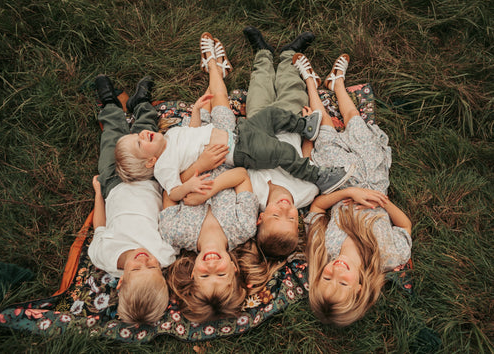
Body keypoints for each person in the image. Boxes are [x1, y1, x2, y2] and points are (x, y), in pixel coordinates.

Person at [112, 40, 350, 205]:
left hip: (239, 132)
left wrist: (195, 110)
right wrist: (190, 184)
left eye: (137, 135)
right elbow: (173, 192)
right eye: (140, 143)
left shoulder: (171, 136)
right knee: (282, 151)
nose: (143, 134)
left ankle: (303, 126)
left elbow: (192, 131)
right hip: (240, 151)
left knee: (270, 115)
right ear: (149, 162)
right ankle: (317, 176)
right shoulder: (164, 166)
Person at [88, 75, 223, 325]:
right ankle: (141, 103)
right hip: (151, 180)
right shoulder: (164, 254)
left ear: (121, 283)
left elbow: (100, 227)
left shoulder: (103, 256)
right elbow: (171, 209)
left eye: (136, 269)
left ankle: (109, 104)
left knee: (112, 139)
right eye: (151, 269)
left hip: (113, 184)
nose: (143, 260)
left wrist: (98, 193)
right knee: (146, 134)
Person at [292, 52, 412, 326]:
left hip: (339, 180)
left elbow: (318, 207)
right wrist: (383, 202)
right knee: (355, 121)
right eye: (342, 283)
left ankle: (311, 82)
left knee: (323, 129)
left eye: (326, 277)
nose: (335, 271)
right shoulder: (388, 256)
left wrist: (348, 194)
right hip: (373, 176)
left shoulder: (324, 248)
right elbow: (405, 225)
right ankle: (337, 85)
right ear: (359, 289)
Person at [161, 33, 259, 322]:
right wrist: (213, 187)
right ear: (235, 269)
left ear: (191, 274)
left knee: (199, 113)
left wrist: (195, 171)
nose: (212, 265)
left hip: (189, 158)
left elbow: (168, 190)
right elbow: (241, 176)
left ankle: (215, 70)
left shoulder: (175, 234)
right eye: (221, 274)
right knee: (223, 114)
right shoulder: (243, 229)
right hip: (225, 151)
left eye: (205, 275)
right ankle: (215, 66)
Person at [241, 26, 354, 258]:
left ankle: (262, 54)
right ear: (299, 220)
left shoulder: (252, 194)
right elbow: (305, 158)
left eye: (276, 215)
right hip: (291, 123)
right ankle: (287, 55)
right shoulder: (306, 193)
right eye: (292, 217)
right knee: (292, 88)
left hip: (259, 123)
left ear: (260, 218)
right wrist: (306, 131)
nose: (284, 208)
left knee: (259, 86)